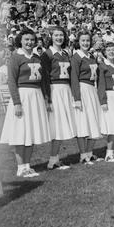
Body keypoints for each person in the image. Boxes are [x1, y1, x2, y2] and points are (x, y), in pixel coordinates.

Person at [0, 28, 51, 178]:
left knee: (31, 132)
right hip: (22, 96)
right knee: (20, 132)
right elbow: (11, 82)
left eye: (32, 40)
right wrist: (17, 102)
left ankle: (28, 165)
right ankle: (20, 167)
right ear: (20, 41)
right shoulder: (15, 57)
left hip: (36, 96)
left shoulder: (37, 58)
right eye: (26, 39)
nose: (29, 42)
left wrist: (46, 99)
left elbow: (43, 81)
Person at [40, 26, 76, 170]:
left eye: (61, 35)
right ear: (51, 37)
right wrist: (47, 97)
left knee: (61, 126)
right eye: (56, 35)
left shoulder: (66, 53)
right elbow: (45, 78)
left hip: (65, 90)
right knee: (56, 126)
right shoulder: (47, 54)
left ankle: (54, 159)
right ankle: (52, 160)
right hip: (54, 90)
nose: (59, 38)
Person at [70, 31, 103, 165]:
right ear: (79, 41)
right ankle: (83, 155)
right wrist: (77, 98)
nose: (85, 43)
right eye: (83, 40)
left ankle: (90, 152)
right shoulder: (76, 57)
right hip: (82, 89)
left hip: (92, 90)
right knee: (83, 123)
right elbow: (74, 78)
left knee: (93, 121)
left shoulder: (91, 56)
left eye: (88, 41)